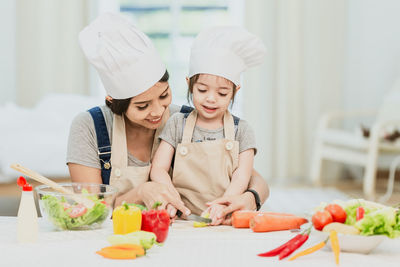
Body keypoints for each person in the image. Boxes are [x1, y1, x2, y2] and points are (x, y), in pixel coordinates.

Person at [66, 13, 269, 222]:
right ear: (112, 100)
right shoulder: (90, 127)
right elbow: (91, 209)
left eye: (164, 95)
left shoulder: (185, 119)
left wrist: (250, 198)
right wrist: (141, 193)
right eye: (142, 106)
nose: (158, 111)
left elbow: (253, 178)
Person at [150, 26, 266, 225]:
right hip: (181, 217)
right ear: (189, 85)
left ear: (235, 91)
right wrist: (171, 197)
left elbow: (242, 175)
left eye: (222, 93)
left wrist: (224, 205)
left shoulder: (242, 130)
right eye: (202, 90)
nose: (211, 99)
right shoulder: (177, 123)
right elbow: (159, 168)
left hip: (224, 218)